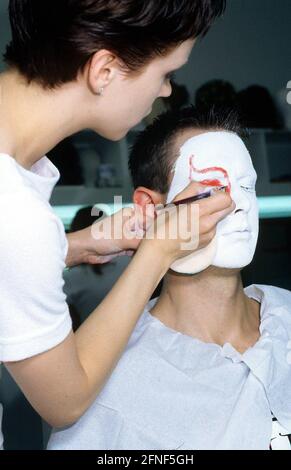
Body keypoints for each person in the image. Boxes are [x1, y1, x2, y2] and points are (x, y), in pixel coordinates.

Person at [0, 0, 234, 449]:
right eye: (166, 72)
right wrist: (156, 253)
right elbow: (64, 401)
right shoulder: (15, 214)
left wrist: (73, 246)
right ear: (104, 69)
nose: (166, 91)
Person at [48, 107, 291, 450]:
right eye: (214, 187)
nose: (239, 205)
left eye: (246, 186)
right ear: (150, 207)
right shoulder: (111, 385)